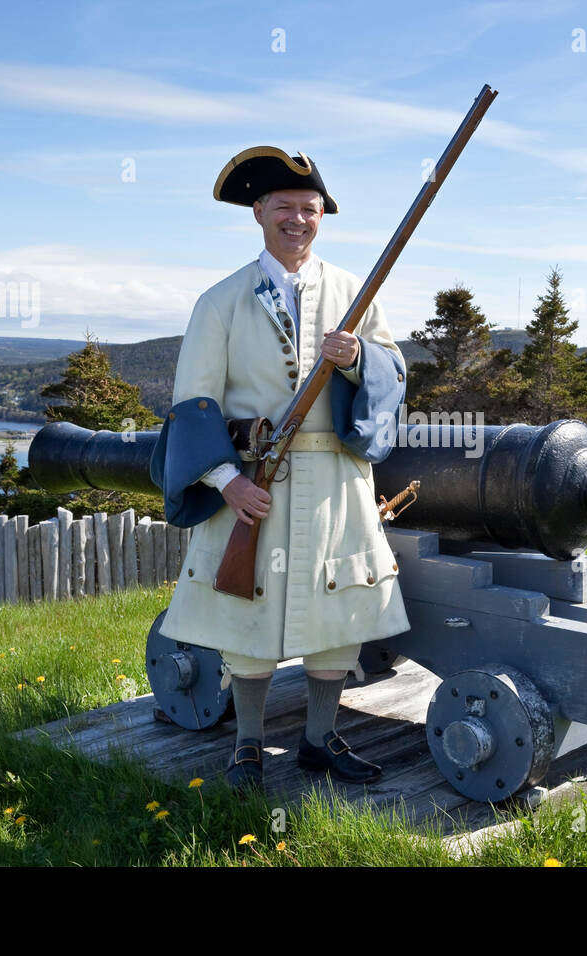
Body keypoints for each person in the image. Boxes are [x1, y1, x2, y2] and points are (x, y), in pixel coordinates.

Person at [149, 146, 409, 791]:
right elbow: (194, 402)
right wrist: (226, 481)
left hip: (338, 482)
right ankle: (248, 746)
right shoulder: (222, 301)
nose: (298, 219)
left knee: (338, 613)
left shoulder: (357, 292)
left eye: (310, 209)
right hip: (253, 481)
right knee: (247, 615)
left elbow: (394, 373)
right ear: (259, 211)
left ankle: (321, 740)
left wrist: (356, 360)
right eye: (285, 207)